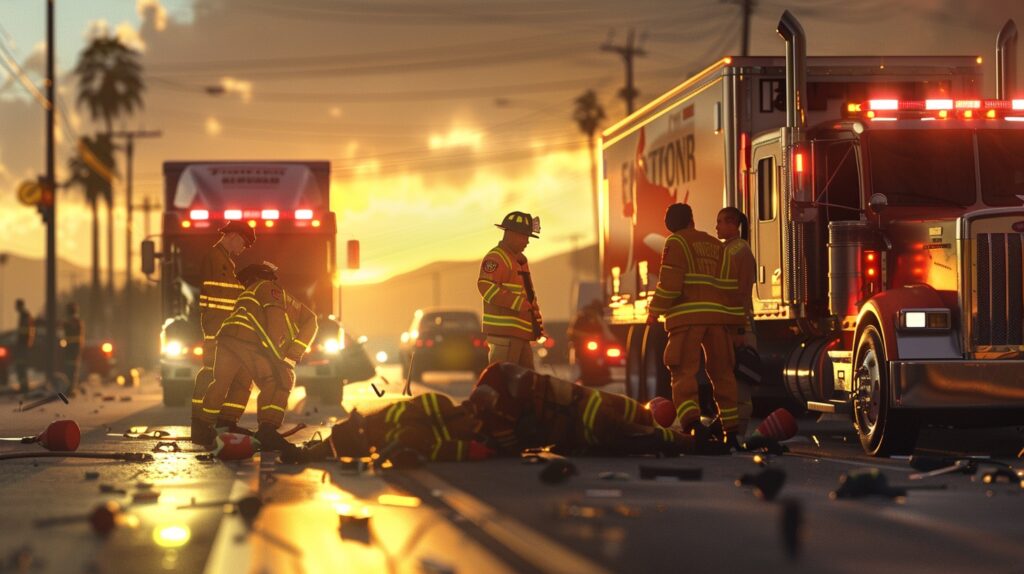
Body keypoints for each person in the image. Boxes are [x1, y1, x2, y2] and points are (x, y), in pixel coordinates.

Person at [468, 362, 729, 456]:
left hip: (589, 423)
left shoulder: (499, 420)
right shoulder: (497, 376)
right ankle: (696, 440)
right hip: (588, 405)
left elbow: (514, 446)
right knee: (643, 424)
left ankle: (695, 444)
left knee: (645, 435)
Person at [647, 203, 746, 443]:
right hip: (718, 321)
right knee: (723, 373)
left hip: (687, 320)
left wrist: (654, 311)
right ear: (691, 220)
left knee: (682, 371)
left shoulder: (675, 242)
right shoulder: (717, 245)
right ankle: (730, 429)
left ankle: (692, 424)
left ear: (670, 226)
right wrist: (736, 326)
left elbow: (669, 285)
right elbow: (732, 290)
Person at [196, 262, 317, 451]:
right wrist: (282, 356)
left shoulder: (250, 292)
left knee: (234, 382)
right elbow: (275, 318)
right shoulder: (269, 287)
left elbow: (297, 320)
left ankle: (216, 425)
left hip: (227, 339)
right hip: (248, 340)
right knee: (279, 380)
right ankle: (268, 430)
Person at [283, 392, 495, 464]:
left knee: (316, 451)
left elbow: (429, 445)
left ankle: (304, 452)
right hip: (361, 435)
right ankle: (302, 453)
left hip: (363, 433)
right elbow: (428, 447)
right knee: (313, 453)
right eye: (473, 424)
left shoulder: (444, 416)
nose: (472, 431)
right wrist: (466, 450)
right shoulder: (438, 409)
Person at [190, 221, 255, 444]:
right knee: (211, 375)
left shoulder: (225, 261)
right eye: (244, 242)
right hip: (218, 330)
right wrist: (245, 293)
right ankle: (201, 426)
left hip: (226, 330)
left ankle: (225, 423)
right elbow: (221, 295)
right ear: (233, 235)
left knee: (238, 377)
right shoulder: (216, 259)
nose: (244, 248)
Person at [476, 211, 546, 369]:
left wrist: (537, 325)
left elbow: (529, 297)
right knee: (503, 379)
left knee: (525, 380)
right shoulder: (496, 258)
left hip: (521, 335)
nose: (527, 242)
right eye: (524, 237)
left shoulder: (520, 261)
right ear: (512, 235)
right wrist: (516, 303)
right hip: (504, 336)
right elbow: (485, 286)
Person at [716, 206, 757, 437]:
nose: (717, 226)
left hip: (739, 327)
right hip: (729, 324)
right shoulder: (728, 249)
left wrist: (741, 328)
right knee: (727, 380)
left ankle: (738, 431)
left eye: (721, 222)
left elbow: (741, 294)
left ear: (734, 225)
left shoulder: (738, 251)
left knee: (740, 384)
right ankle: (728, 428)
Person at [567, 300, 613, 385]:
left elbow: (604, 332)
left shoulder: (599, 319)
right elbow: (572, 332)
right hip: (582, 346)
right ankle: (581, 376)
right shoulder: (581, 318)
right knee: (581, 361)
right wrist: (587, 337)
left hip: (598, 346)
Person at [13, 299, 34, 393]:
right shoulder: (24, 315)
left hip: (23, 345)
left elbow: (26, 332)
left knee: (21, 366)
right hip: (22, 345)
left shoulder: (25, 315)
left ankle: (24, 387)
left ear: (19, 306)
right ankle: (23, 386)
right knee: (20, 366)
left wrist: (24, 344)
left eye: (16, 305)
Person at [62, 302, 84, 392]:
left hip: (72, 348)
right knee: (72, 369)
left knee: (71, 369)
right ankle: (71, 388)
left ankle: (71, 388)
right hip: (74, 348)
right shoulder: (76, 321)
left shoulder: (73, 322)